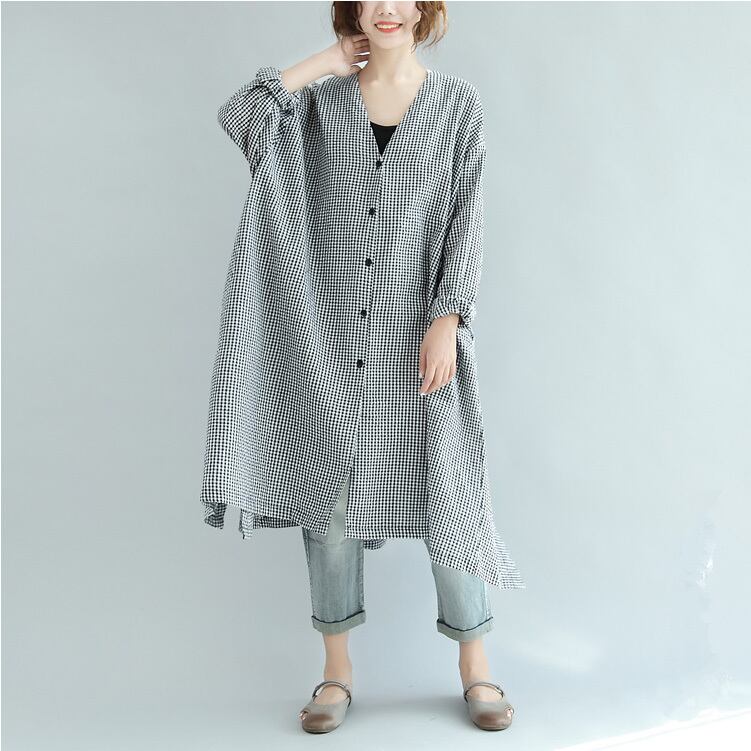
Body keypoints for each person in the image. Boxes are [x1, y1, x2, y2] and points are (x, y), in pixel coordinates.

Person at [205, 0, 523, 733]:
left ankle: (475, 666)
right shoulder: (318, 108)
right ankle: (336, 672)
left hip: (419, 335)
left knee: (449, 493)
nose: (386, 8)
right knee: (331, 503)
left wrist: (449, 317)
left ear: (423, 8)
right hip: (326, 338)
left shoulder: (457, 105)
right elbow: (240, 117)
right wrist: (324, 61)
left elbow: (467, 215)